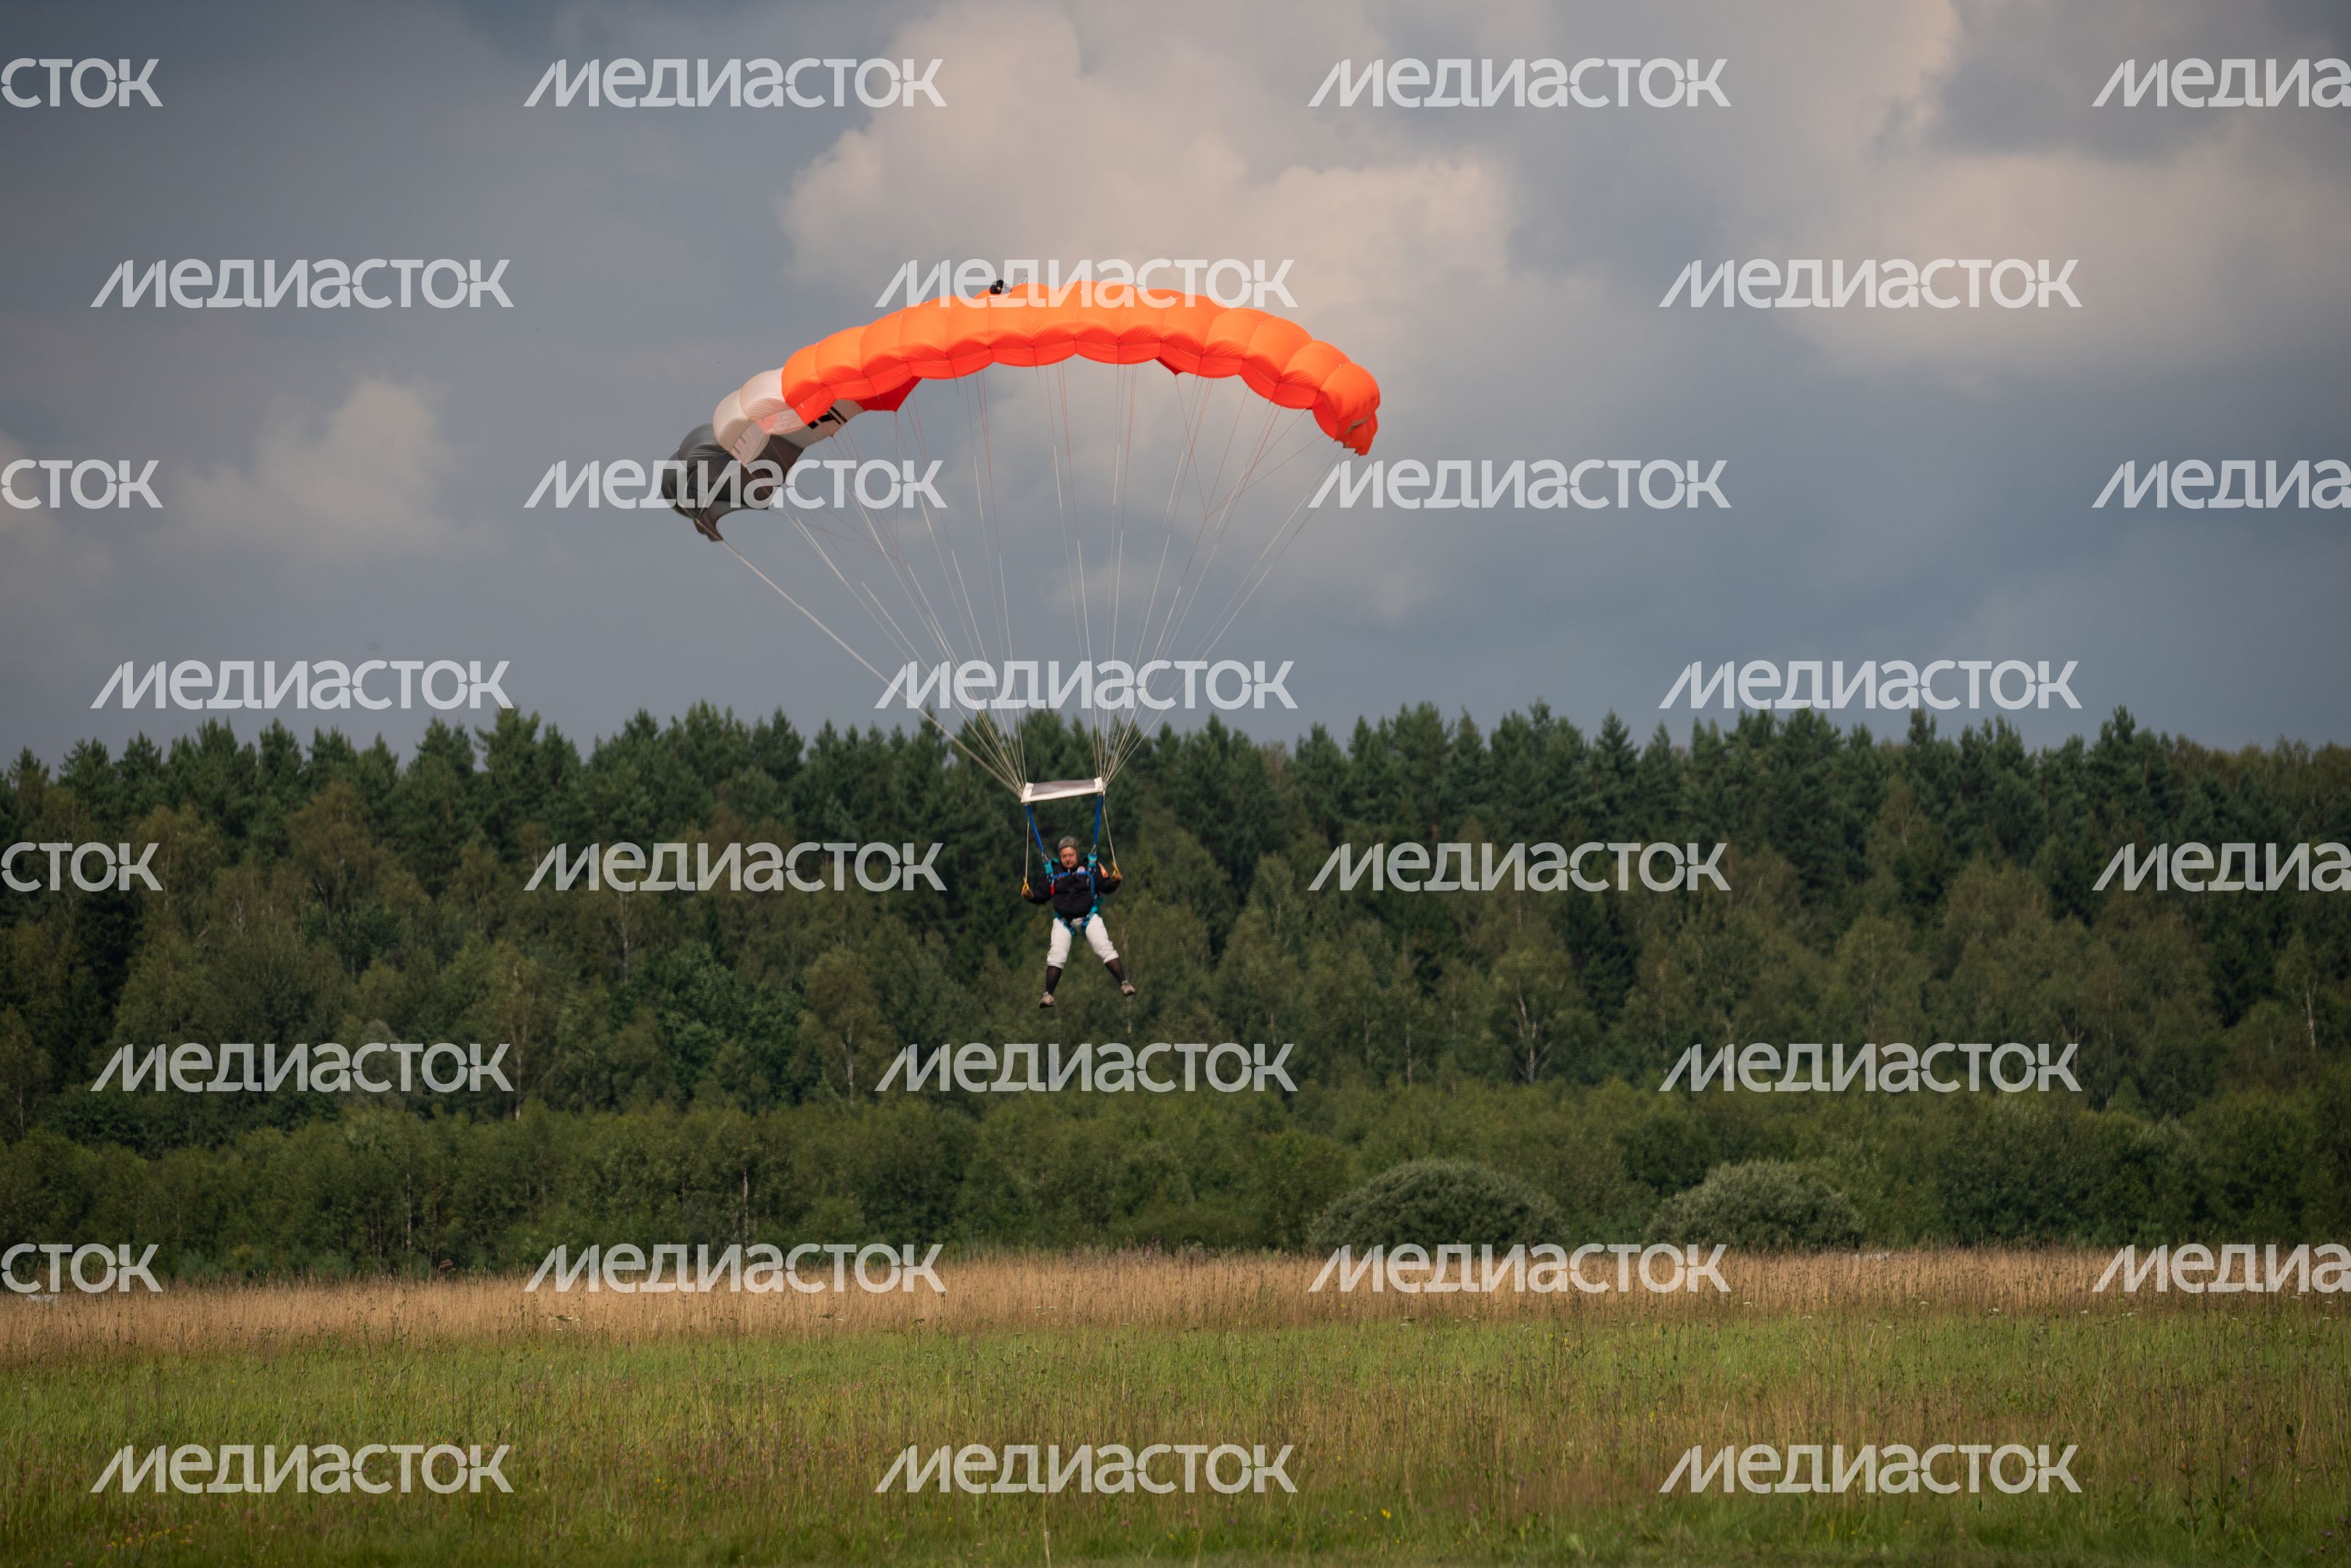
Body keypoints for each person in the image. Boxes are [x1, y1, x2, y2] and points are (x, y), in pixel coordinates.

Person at [1024, 836, 1134, 1007]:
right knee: (1056, 954)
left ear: (1077, 854)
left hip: (1088, 916)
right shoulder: (1052, 872)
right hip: (1063, 920)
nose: (1068, 859)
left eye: (1071, 855)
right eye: (1064, 856)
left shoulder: (1090, 867)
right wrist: (1031, 896)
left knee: (1104, 946)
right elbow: (1042, 895)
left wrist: (1114, 883)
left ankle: (1124, 983)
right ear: (1060, 857)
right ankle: (1048, 995)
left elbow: (1104, 885)